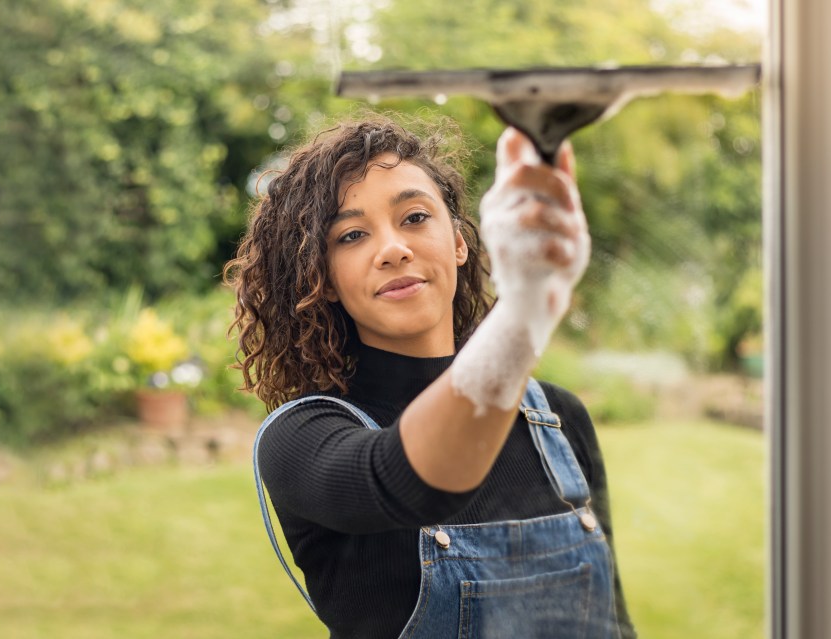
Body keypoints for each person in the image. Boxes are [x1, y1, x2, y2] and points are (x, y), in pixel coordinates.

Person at [225, 113, 636, 639]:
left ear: (460, 244)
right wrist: (527, 307)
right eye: (351, 235)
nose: (393, 248)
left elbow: (615, 625)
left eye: (415, 217)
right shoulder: (300, 439)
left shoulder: (559, 419)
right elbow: (408, 483)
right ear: (324, 280)